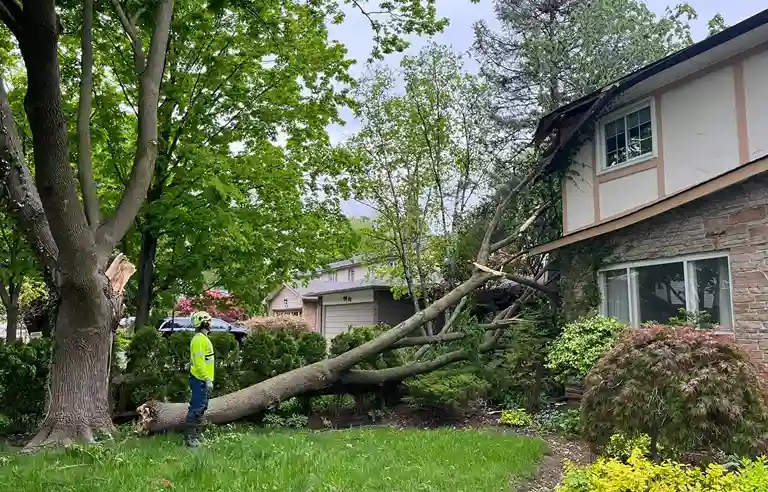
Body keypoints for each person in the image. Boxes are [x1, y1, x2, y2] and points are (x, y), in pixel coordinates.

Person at [186, 310, 215, 447]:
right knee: (197, 408)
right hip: (200, 379)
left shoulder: (203, 339)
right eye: (209, 320)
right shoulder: (198, 340)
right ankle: (191, 438)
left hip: (204, 379)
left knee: (202, 407)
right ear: (204, 322)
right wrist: (206, 379)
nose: (211, 323)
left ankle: (197, 435)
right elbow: (199, 362)